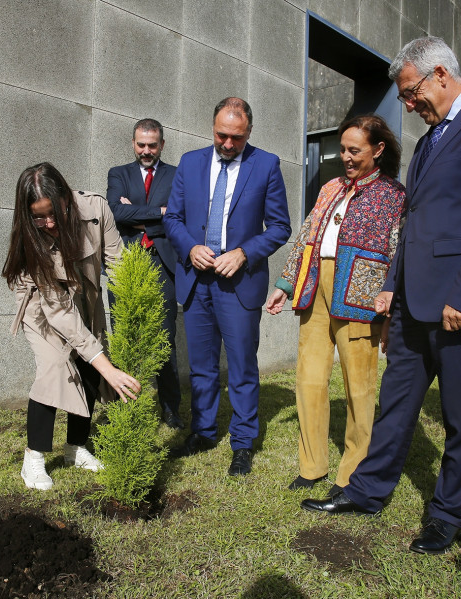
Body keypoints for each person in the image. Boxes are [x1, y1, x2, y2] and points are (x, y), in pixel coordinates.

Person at [301, 37, 461, 556]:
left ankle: (447, 513)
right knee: (397, 406)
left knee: (460, 417)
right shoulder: (428, 141)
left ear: (440, 73)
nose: (406, 105)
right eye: (404, 97)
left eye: (410, 92)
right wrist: (389, 286)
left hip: (458, 307)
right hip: (409, 304)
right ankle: (367, 491)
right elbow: (411, 223)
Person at [265, 114, 405, 494]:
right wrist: (284, 283)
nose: (345, 156)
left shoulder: (394, 196)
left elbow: (399, 253)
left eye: (354, 150)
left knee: (359, 388)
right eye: (342, 149)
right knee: (309, 380)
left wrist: (391, 304)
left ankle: (352, 473)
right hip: (314, 290)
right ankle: (312, 466)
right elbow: (306, 236)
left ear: (377, 150)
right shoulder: (329, 188)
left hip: (361, 297)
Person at [163, 97, 291, 476]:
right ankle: (202, 431)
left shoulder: (266, 164)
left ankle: (243, 442)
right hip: (197, 280)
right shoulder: (190, 162)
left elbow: (280, 227)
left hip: (240, 285)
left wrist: (244, 253)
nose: (228, 144)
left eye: (237, 137)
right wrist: (190, 247)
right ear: (212, 128)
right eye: (222, 135)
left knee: (241, 367)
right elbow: (173, 218)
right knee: (202, 367)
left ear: (249, 132)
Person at [3, 162, 141, 491]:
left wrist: (133, 306)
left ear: (66, 197)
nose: (48, 223)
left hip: (85, 293)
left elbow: (118, 262)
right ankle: (33, 458)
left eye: (53, 213)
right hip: (43, 302)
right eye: (39, 217)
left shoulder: (96, 208)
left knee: (90, 366)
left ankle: (75, 448)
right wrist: (109, 367)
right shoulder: (30, 239)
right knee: (55, 366)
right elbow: (60, 313)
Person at [106, 118, 184, 429]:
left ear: (162, 145)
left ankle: (170, 408)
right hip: (126, 263)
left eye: (152, 145)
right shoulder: (119, 174)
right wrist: (160, 213)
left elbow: (181, 215)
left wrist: (137, 215)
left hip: (163, 266)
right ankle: (126, 408)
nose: (146, 150)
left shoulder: (177, 176)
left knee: (165, 339)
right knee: (125, 337)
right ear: (133, 143)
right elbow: (116, 212)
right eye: (141, 144)